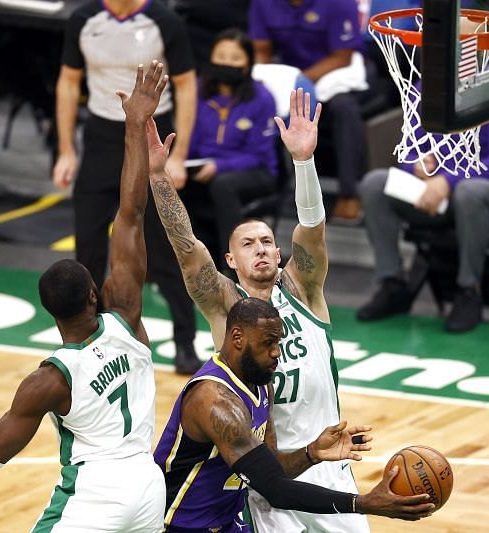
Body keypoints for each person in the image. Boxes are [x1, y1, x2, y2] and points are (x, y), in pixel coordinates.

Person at [0, 61, 171, 532]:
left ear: (49, 313)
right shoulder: (125, 315)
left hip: (96, 496)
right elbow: (131, 212)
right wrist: (134, 126)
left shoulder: (48, 380)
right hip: (148, 487)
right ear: (95, 294)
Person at [148, 88, 373, 531]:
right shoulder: (226, 306)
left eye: (268, 241)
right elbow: (186, 246)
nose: (261, 249)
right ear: (231, 261)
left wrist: (304, 162)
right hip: (265, 473)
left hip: (325, 461)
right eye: (248, 244)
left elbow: (313, 227)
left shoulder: (305, 290)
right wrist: (158, 177)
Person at [154, 297, 434, 531]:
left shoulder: (261, 381)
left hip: (226, 521)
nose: (277, 352)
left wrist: (312, 452)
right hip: (177, 523)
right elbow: (274, 489)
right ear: (237, 337)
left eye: (278, 342)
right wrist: (363, 503)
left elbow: (273, 469)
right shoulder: (216, 402)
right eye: (268, 342)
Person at [53, 0, 202, 374]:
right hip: (101, 138)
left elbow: (186, 86)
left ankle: (185, 342)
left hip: (151, 134)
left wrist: (180, 153)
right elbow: (69, 82)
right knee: (86, 248)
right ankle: (91, 344)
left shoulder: (164, 20)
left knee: (164, 252)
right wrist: (66, 150)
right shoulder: (84, 19)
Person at [356, 113, 489, 332]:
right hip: (439, 194)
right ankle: (392, 284)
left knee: (470, 192)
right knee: (375, 184)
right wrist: (417, 166)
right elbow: (408, 149)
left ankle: (469, 290)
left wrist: (448, 180)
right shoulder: (426, 86)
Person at [249, 0, 369, 221]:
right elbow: (261, 51)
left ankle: (350, 193)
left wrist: (300, 83)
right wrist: (263, 83)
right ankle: (272, 187)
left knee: (345, 108)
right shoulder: (263, 3)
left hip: (336, 71)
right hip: (289, 69)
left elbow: (343, 57)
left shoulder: (340, 3)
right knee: (259, 100)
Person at [189, 28, 279, 259]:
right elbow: (190, 138)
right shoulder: (197, 91)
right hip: (204, 166)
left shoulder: (261, 97)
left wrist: (218, 166)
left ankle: (233, 263)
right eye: (221, 57)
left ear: (248, 63)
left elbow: (258, 153)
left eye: (235, 58)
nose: (226, 64)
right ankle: (188, 263)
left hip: (255, 170)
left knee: (223, 185)